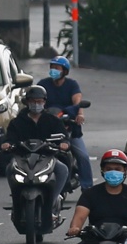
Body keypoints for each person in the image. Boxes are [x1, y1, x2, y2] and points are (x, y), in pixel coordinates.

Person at [0, 85, 75, 202]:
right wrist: (7, 144)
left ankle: (54, 199)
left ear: (44, 102)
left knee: (62, 169)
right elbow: (10, 137)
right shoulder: (17, 122)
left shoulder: (53, 120)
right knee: (10, 169)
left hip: (47, 156)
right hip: (23, 158)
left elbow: (64, 137)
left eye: (39, 101)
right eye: (33, 101)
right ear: (27, 102)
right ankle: (16, 198)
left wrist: (64, 143)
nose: (36, 104)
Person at [38, 56, 93, 190]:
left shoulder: (72, 85)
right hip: (47, 127)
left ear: (65, 71)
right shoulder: (43, 84)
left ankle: (87, 188)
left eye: (57, 68)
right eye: (52, 67)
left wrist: (79, 114)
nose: (54, 70)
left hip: (68, 127)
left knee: (83, 156)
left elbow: (77, 102)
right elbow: (35, 99)